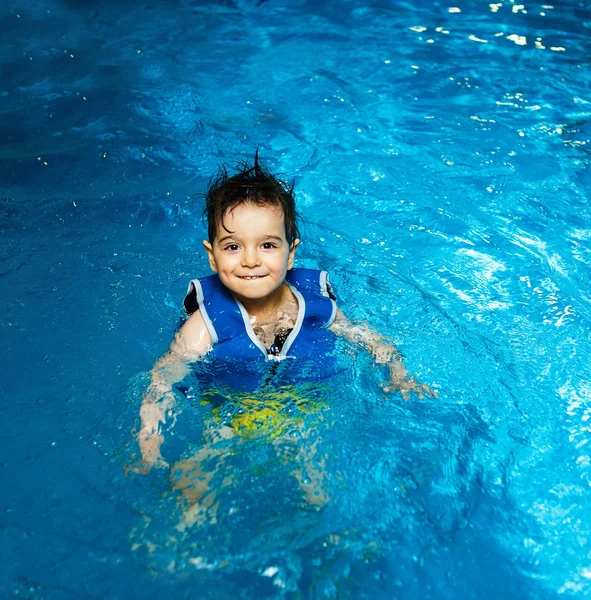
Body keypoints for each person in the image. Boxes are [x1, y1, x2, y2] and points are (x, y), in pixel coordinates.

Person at [134, 154, 437, 524]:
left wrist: (398, 373)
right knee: (194, 480)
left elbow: (373, 340)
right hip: (231, 413)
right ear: (212, 257)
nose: (249, 261)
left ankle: (328, 542)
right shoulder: (204, 325)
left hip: (302, 411)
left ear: (291, 252)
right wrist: (151, 437)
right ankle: (181, 538)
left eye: (267, 245)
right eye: (232, 247)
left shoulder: (317, 308)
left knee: (320, 494)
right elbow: (163, 377)